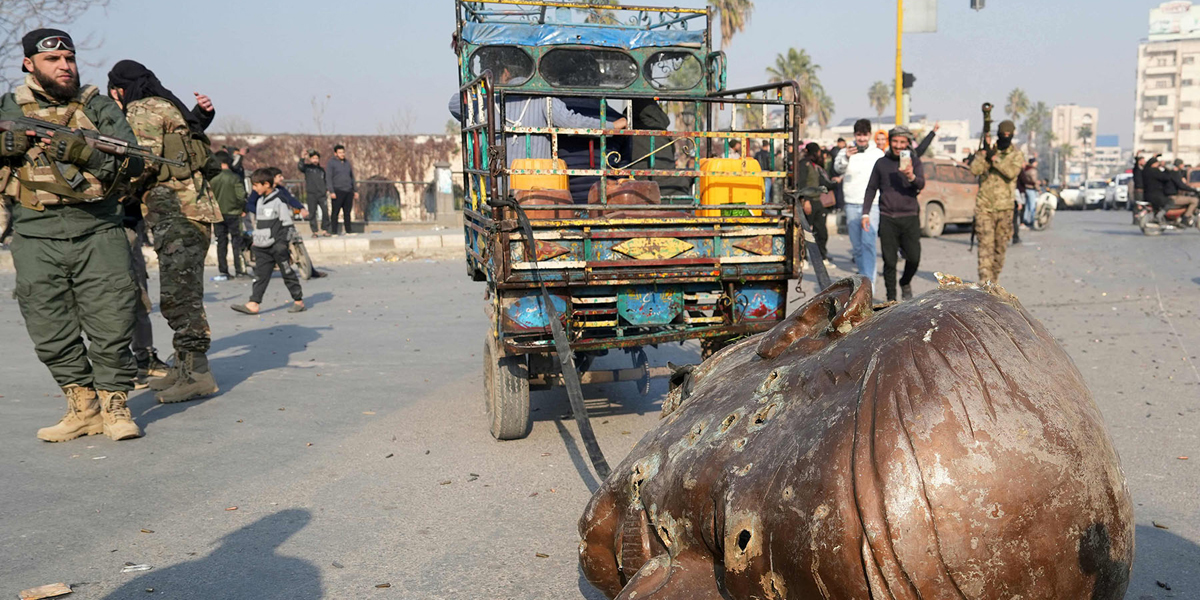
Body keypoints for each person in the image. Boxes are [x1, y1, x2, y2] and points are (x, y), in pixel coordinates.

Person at [0, 29, 143, 440]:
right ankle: (82, 406)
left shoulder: (97, 106)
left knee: (112, 318)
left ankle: (115, 404)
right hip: (34, 232)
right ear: (29, 65)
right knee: (47, 323)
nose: (65, 66)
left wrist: (81, 151)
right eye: (53, 60)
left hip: (98, 228)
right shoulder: (9, 106)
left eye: (70, 58)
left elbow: (134, 166)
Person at [108, 59, 221, 405]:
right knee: (179, 292)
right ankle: (183, 369)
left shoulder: (142, 109)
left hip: (179, 213)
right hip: (187, 212)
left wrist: (111, 191)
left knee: (180, 298)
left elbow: (143, 163)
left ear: (119, 89)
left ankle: (198, 375)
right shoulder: (167, 105)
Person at [863, 126, 926, 302]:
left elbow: (921, 184)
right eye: (895, 141)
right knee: (889, 262)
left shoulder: (914, 161)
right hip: (888, 217)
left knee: (914, 258)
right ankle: (891, 300)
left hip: (910, 217)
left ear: (908, 144)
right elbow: (871, 188)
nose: (898, 146)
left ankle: (905, 282)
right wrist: (865, 213)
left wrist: (911, 175)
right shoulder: (881, 163)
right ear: (890, 142)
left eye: (902, 142)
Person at [232, 168, 305, 315]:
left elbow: (287, 224)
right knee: (260, 276)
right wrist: (256, 241)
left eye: (256, 185)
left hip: (277, 246)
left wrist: (282, 244)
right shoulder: (259, 201)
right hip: (261, 247)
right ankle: (253, 303)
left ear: (266, 184)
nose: (254, 188)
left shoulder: (279, 201)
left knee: (287, 273)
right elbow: (259, 224)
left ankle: (298, 301)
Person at [969, 120, 1025, 283]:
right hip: (984, 208)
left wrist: (994, 158)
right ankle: (986, 284)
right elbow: (975, 170)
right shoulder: (987, 152)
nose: (1005, 137)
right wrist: (984, 154)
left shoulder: (1016, 154)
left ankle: (993, 280)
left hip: (1005, 209)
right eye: (1003, 134)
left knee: (1000, 250)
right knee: (985, 249)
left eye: (1008, 135)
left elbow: (1011, 172)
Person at [834, 118, 884, 296]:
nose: (861, 139)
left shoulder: (877, 153)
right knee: (857, 247)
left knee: (868, 244)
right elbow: (837, 169)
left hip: (872, 206)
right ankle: (864, 280)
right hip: (851, 203)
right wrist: (847, 156)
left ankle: (869, 285)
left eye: (864, 135)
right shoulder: (844, 152)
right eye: (858, 135)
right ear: (854, 135)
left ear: (869, 135)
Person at [210, 150, 248, 281]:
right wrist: (242, 208)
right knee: (237, 242)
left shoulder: (212, 179)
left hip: (218, 214)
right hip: (234, 213)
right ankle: (240, 270)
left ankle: (223, 271)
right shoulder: (234, 177)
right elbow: (241, 196)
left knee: (221, 242)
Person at [799, 142, 833, 264]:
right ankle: (803, 258)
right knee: (805, 233)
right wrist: (805, 200)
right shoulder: (803, 164)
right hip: (809, 201)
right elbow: (802, 184)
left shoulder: (815, 165)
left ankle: (822, 257)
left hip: (818, 201)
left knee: (821, 232)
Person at [325, 144, 357, 235]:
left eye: (343, 152)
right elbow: (329, 177)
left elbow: (352, 177)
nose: (342, 154)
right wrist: (331, 191)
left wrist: (355, 190)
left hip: (348, 190)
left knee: (347, 212)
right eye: (340, 152)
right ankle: (334, 231)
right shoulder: (331, 163)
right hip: (337, 190)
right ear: (335, 153)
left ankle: (348, 230)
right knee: (335, 212)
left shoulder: (347, 163)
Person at [297, 150, 329, 236]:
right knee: (312, 213)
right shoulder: (307, 168)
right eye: (313, 158)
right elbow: (300, 167)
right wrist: (302, 157)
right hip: (311, 194)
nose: (315, 160)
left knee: (325, 212)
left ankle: (325, 230)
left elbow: (326, 180)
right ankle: (314, 231)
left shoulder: (322, 170)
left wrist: (326, 189)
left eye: (317, 158)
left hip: (322, 194)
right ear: (310, 159)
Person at [1167, 158, 1199, 222]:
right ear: (1179, 165)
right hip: (1173, 196)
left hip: (1173, 195)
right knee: (1195, 200)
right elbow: (1181, 185)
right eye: (1182, 164)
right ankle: (1185, 217)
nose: (1183, 166)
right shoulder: (1175, 173)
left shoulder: (1173, 172)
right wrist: (1193, 190)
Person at [1018, 158, 1040, 227]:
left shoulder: (1026, 169)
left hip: (1026, 189)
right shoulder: (1033, 170)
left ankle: (1024, 219)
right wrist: (1038, 188)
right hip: (1031, 189)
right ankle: (1032, 220)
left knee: (1027, 206)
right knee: (1032, 206)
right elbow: (1034, 181)